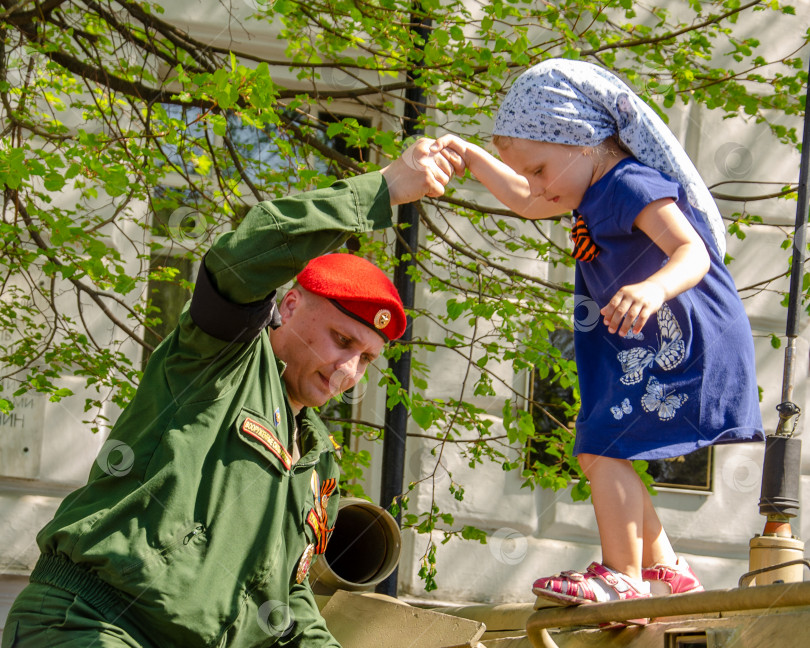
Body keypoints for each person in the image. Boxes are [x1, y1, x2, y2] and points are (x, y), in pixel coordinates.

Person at [2, 138, 463, 648]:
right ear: (288, 307)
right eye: (341, 340)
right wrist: (384, 188)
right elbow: (243, 255)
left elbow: (286, 599)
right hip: (95, 625)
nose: (347, 371)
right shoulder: (221, 356)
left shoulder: (318, 465)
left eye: (366, 359)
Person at [434, 58, 764, 611]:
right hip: (642, 340)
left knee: (600, 444)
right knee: (605, 443)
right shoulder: (586, 192)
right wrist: (469, 157)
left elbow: (692, 251)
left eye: (539, 168)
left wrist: (654, 289)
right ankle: (664, 566)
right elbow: (523, 198)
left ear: (581, 142)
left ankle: (621, 574)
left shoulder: (628, 184)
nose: (536, 185)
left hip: (683, 334)